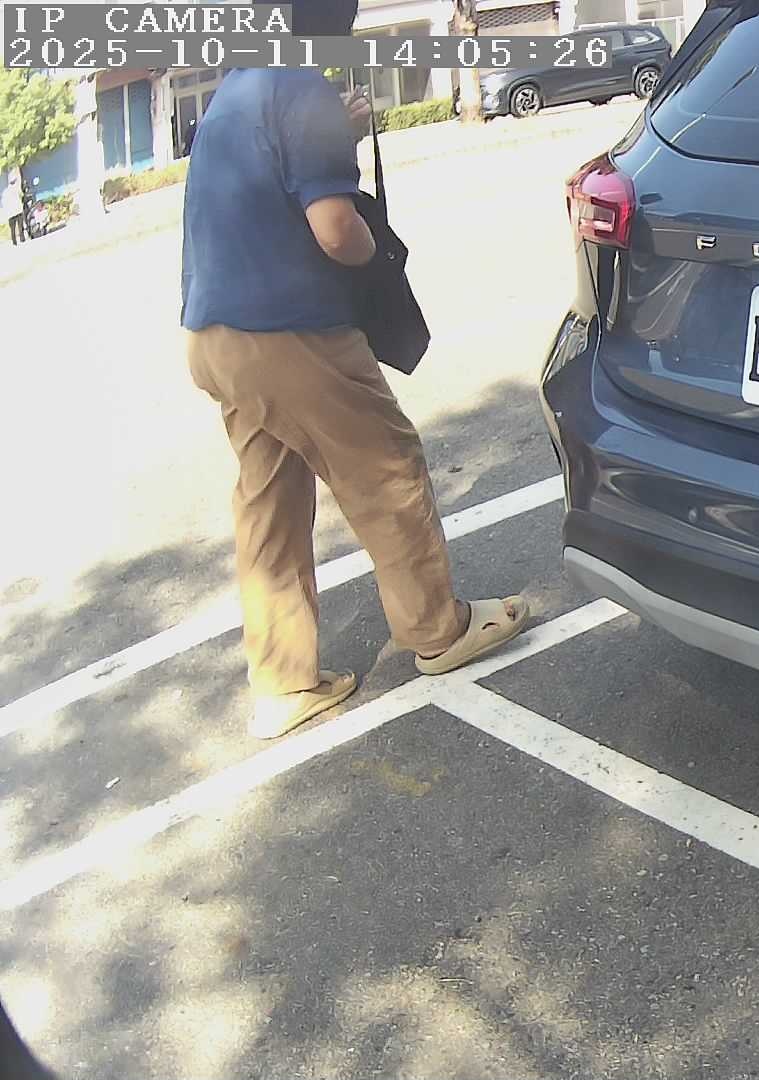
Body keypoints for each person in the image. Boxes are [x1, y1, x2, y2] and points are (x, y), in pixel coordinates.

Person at [181, 0, 527, 739]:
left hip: (215, 335)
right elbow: (337, 231)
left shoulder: (237, 86)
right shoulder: (302, 88)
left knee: (270, 503)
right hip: (292, 335)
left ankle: (282, 685)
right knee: (386, 469)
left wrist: (331, 130)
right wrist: (375, 261)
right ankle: (438, 630)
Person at [3, 168, 24, 246]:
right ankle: (22, 239)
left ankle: (14, 242)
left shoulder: (5, 192)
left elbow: (3, 203)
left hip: (10, 213)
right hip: (18, 211)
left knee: (12, 229)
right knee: (20, 226)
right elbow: (21, 195)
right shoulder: (16, 188)